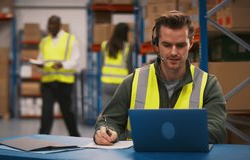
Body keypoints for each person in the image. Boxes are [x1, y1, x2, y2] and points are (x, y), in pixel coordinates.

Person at [94, 10, 227, 145]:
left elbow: (217, 131)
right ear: (156, 45)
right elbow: (109, 120)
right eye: (167, 45)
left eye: (181, 45)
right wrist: (105, 132)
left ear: (191, 43)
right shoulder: (132, 81)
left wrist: (171, 135)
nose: (174, 52)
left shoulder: (208, 85)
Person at [36, 15, 80, 136]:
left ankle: (75, 136)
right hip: (48, 82)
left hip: (64, 82)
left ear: (60, 25)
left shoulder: (70, 39)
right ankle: (42, 138)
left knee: (67, 112)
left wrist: (63, 65)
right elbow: (41, 59)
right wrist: (38, 65)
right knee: (46, 112)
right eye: (49, 24)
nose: (51, 26)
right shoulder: (44, 41)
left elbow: (75, 60)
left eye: (54, 24)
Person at [100, 23, 133, 109]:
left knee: (106, 111)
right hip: (121, 84)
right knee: (120, 111)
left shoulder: (105, 45)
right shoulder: (127, 47)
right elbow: (129, 66)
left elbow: (101, 63)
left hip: (106, 83)